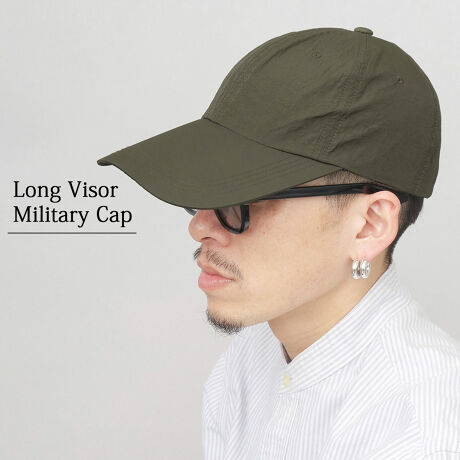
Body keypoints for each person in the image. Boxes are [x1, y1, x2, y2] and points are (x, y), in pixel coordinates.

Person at [97, 26, 460, 459]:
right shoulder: (251, 359)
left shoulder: (417, 430)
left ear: (369, 225)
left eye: (243, 200)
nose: (200, 227)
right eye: (207, 191)